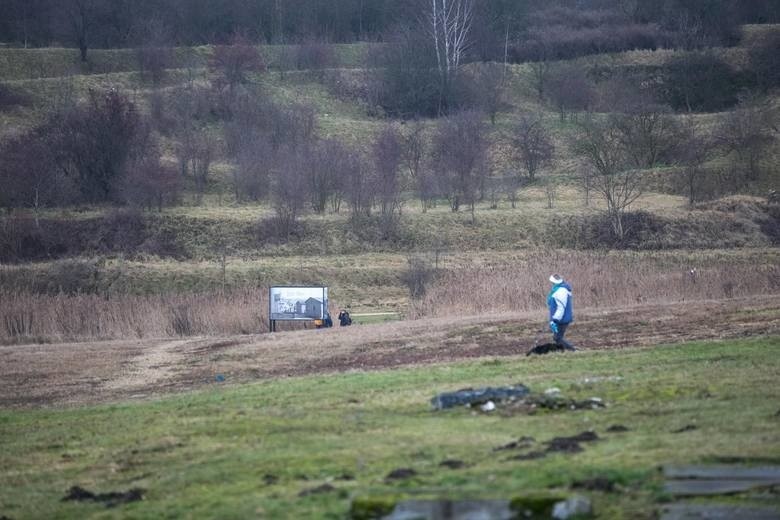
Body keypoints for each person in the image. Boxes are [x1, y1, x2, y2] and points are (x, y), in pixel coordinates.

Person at [547, 274, 576, 351]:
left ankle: (573, 351)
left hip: (562, 319)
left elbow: (561, 308)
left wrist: (554, 320)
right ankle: (561, 352)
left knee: (557, 338)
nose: (551, 284)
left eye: (552, 282)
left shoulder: (561, 291)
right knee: (557, 338)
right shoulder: (557, 290)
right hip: (560, 318)